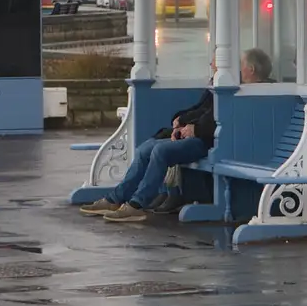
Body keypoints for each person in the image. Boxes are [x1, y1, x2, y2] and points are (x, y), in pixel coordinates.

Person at [81, 87, 217, 224]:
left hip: (208, 141)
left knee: (161, 151)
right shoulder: (212, 88)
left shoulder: (227, 85)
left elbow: (216, 116)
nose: (212, 64)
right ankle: (115, 199)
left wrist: (196, 128)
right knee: (144, 149)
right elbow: (200, 109)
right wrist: (180, 120)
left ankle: (137, 204)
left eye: (214, 63)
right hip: (193, 134)